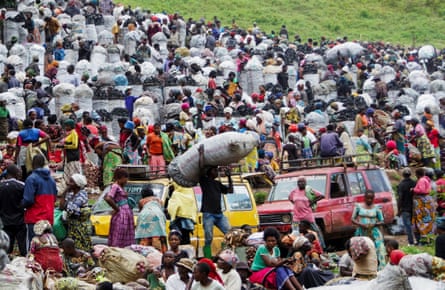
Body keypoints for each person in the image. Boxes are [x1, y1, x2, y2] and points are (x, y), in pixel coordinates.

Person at [198, 144, 233, 258]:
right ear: (209, 172)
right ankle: (208, 258)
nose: (216, 172)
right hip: (208, 214)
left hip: (219, 214)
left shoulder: (217, 184)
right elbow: (201, 168)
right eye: (214, 170)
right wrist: (202, 154)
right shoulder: (205, 181)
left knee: (230, 234)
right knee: (208, 238)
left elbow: (230, 190)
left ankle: (224, 256)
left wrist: (229, 177)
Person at [23, 154, 57, 250]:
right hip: (48, 218)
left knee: (33, 246)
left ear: (32, 164)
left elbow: (28, 200)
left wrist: (20, 205)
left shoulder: (31, 179)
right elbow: (54, 198)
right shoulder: (51, 180)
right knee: (47, 245)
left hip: (35, 218)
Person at [351, 189, 386, 270]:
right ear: (364, 198)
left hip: (374, 232)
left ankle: (380, 268)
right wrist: (361, 224)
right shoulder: (358, 207)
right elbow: (352, 219)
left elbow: (382, 221)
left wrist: (374, 224)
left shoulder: (377, 208)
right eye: (367, 198)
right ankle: (364, 268)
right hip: (362, 232)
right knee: (362, 250)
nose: (369, 200)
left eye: (371, 198)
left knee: (379, 249)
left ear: (373, 198)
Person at [288, 177, 325, 248]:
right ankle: (295, 247)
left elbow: (322, 196)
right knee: (294, 232)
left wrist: (312, 201)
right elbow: (290, 198)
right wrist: (297, 205)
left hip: (307, 216)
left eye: (302, 182)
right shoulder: (294, 191)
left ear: (305, 183)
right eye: (299, 182)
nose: (300, 183)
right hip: (296, 217)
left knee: (316, 231)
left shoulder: (309, 190)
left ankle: (322, 247)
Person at [59, 174, 92, 252]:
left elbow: (71, 209)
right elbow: (61, 206)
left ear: (78, 184)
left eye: (71, 182)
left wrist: (65, 207)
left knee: (81, 249)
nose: (68, 183)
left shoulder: (82, 195)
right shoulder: (71, 194)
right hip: (72, 227)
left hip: (81, 228)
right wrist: (65, 191)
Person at [104, 168, 135, 247]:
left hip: (126, 214)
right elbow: (108, 198)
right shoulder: (115, 186)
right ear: (120, 177)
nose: (126, 181)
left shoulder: (120, 187)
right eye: (125, 178)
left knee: (126, 234)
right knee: (119, 234)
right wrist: (117, 209)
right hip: (121, 215)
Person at [0, 165, 26, 256]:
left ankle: (6, 265)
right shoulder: (21, 186)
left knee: (7, 248)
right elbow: (27, 200)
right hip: (20, 221)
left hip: (6, 222)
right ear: (16, 173)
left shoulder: (1, 186)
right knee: (23, 247)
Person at [135, 186, 167, 253]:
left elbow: (140, 211)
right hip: (158, 215)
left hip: (145, 215)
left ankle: (143, 250)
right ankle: (161, 252)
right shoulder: (159, 200)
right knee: (159, 233)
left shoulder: (141, 201)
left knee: (144, 234)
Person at [412, 167, 435, 245]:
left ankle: (424, 241)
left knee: (421, 220)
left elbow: (421, 190)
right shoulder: (427, 180)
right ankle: (430, 239)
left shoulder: (421, 180)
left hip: (422, 202)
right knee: (429, 221)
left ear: (417, 174)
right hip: (427, 201)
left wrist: (413, 190)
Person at [58, 119, 81, 187]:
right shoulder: (71, 133)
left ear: (70, 126)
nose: (65, 127)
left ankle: (73, 186)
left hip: (72, 156)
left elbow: (75, 145)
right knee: (70, 172)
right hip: (69, 156)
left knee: (72, 173)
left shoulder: (74, 133)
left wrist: (64, 146)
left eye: (66, 126)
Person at [397, 168, 416, 245]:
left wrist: (399, 209)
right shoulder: (414, 183)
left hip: (405, 208)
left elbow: (400, 198)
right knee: (415, 225)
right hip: (414, 207)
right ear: (410, 174)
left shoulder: (401, 185)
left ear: (403, 175)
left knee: (408, 226)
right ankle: (418, 240)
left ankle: (411, 242)